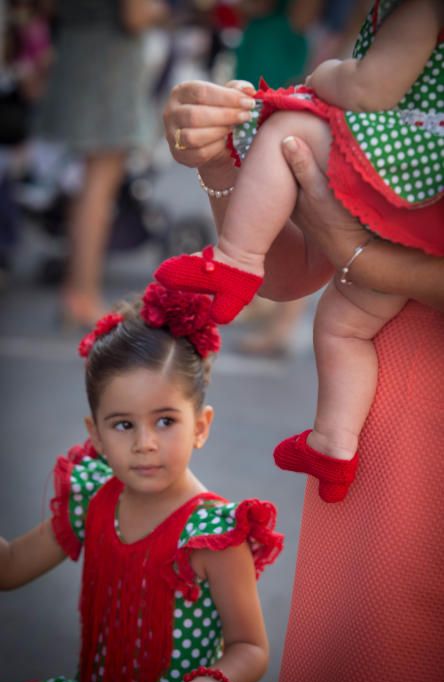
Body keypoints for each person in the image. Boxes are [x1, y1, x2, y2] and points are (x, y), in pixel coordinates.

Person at [158, 75, 444, 682]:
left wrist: (359, 259)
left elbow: (339, 251)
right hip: (379, 427)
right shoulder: (399, 36)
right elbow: (293, 270)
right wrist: (217, 160)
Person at [155, 0, 444, 502]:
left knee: (288, 127)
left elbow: (369, 88)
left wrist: (324, 74)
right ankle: (333, 443)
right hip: (385, 447)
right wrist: (218, 162)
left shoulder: (420, 9)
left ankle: (234, 262)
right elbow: (298, 270)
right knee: (340, 321)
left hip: (415, 170)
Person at [0, 283, 284, 682]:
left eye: (166, 421)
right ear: (95, 434)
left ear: (201, 426)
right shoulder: (93, 498)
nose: (145, 443)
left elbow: (250, 647)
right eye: (123, 425)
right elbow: (9, 567)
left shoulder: (213, 535)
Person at [34, 0, 169, 328]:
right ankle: (82, 294)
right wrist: (163, 12)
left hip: (74, 51)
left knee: (86, 185)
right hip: (109, 63)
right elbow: (136, 15)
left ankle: (76, 290)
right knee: (99, 186)